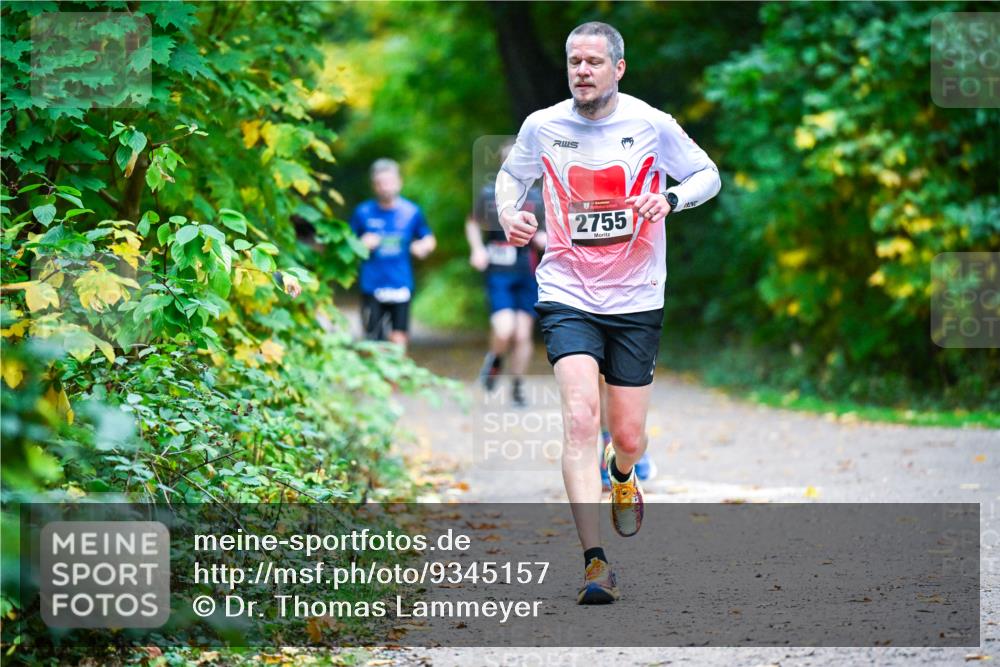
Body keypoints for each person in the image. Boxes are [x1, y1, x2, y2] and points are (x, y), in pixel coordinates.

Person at [495, 21, 720, 604]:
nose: (582, 71)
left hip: (638, 294)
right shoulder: (542, 126)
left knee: (628, 435)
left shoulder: (651, 124)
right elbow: (510, 178)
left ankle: (623, 477)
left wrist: (669, 198)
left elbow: (707, 174)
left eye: (594, 62)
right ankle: (594, 562)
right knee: (578, 418)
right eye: (574, 62)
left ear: (618, 68)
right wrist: (510, 214)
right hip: (567, 289)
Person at [466, 142, 547, 407]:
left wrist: (541, 240)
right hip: (499, 273)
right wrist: (478, 249)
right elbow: (472, 223)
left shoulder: (538, 198)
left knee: (522, 335)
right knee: (504, 330)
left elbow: (551, 235)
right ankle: (496, 359)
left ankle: (517, 386)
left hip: (528, 273)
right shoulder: (490, 194)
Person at [350, 159, 436, 350]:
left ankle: (397, 380)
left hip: (400, 283)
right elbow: (346, 244)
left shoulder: (411, 212)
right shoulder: (362, 212)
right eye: (381, 183)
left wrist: (423, 247)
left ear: (399, 182)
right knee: (374, 341)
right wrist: (360, 244)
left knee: (399, 339)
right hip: (372, 285)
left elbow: (429, 238)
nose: (385, 187)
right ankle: (376, 379)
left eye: (389, 181)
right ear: (374, 186)